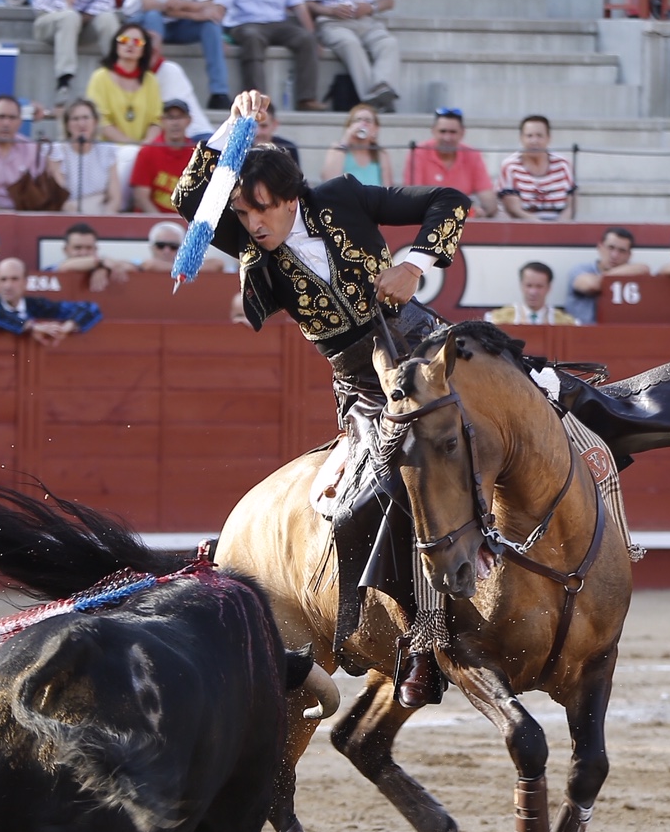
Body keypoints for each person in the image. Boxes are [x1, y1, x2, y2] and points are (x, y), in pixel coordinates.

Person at [172, 88, 469, 709]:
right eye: (243, 212)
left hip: (427, 347)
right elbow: (188, 200)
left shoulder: (342, 196)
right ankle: (421, 635)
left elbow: (449, 199)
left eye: (262, 209)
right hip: (363, 385)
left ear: (291, 198)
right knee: (386, 486)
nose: (253, 224)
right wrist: (231, 128)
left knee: (544, 396)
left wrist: (415, 262)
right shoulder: (250, 246)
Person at [217, 0, 324, 113]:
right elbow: (221, 5)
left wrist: (313, 34)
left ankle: (307, 98)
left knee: (306, 39)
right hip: (244, 22)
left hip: (277, 22)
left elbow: (298, 5)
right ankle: (257, 101)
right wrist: (218, 35)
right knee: (252, 38)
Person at [85, 22, 162, 201]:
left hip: (141, 150)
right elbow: (100, 122)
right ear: (116, 44)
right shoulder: (100, 77)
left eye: (137, 42)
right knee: (130, 154)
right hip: (105, 150)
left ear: (144, 50)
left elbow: (156, 121)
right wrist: (132, 146)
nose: (130, 45)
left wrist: (144, 145)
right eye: (124, 40)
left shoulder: (150, 80)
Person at [0, 255, 102, 344]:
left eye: (14, 279)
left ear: (25, 282)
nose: (8, 285)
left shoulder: (37, 305)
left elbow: (91, 308)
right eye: (3, 280)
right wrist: (29, 326)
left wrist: (67, 327)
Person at [403, 108, 497, 217]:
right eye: (442, 131)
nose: (447, 138)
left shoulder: (472, 155)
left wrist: (480, 211)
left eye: (453, 132)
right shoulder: (418, 153)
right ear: (433, 131)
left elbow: (490, 204)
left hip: (463, 221)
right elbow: (413, 199)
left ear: (462, 133)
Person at [497, 114, 575, 221]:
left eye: (539, 136)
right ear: (521, 138)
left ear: (548, 138)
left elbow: (571, 206)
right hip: (524, 226)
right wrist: (541, 227)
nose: (534, 141)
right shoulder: (510, 166)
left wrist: (559, 226)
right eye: (529, 136)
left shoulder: (563, 164)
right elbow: (514, 209)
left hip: (559, 226)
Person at [49, 97, 121, 214]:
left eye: (86, 118)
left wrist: (106, 217)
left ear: (95, 122)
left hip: (101, 214)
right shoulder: (57, 152)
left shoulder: (107, 151)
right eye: (75, 119)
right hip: (68, 215)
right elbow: (61, 199)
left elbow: (115, 199)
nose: (81, 124)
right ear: (67, 125)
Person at [565, 226, 649, 323]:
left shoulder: (633, 271)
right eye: (610, 248)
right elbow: (591, 285)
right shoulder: (581, 269)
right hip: (583, 330)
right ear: (600, 247)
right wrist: (615, 276)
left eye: (622, 251)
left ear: (629, 255)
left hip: (617, 330)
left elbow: (644, 269)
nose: (614, 255)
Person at [130, 98, 195, 213]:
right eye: (170, 117)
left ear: (189, 121)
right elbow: (141, 198)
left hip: (185, 221)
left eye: (180, 117)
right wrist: (160, 220)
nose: (175, 123)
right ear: (162, 121)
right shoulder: (147, 152)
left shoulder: (197, 154)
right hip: (151, 219)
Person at [321, 103, 392, 186]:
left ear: (376, 128)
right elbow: (329, 180)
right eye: (358, 120)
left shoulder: (381, 153)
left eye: (368, 121)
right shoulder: (337, 149)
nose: (363, 124)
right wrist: (346, 140)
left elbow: (387, 188)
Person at [485, 260, 577, 325]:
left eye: (539, 286)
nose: (533, 292)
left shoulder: (566, 323)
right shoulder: (497, 319)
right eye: (529, 285)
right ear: (521, 285)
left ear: (549, 287)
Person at [54, 220, 131, 289]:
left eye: (89, 248)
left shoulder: (101, 265)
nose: (83, 253)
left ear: (96, 249)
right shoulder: (53, 269)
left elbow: (131, 267)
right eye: (78, 248)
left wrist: (105, 269)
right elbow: (65, 267)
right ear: (65, 250)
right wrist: (101, 262)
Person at [139, 217, 224, 271]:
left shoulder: (190, 265)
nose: (166, 251)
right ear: (151, 247)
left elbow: (217, 264)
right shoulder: (141, 264)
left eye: (173, 246)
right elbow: (149, 265)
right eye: (160, 245)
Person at [252, 97, 300, 164]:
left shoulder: (288, 149)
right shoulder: (241, 149)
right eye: (253, 126)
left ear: (274, 125)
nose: (258, 132)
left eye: (264, 126)